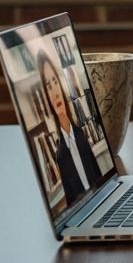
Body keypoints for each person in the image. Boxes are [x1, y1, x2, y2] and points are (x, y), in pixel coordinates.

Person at [38, 50, 102, 206]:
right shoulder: (60, 155)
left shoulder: (81, 134)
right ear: (45, 95)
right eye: (48, 85)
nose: (54, 91)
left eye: (54, 81)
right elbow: (71, 201)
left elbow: (99, 177)